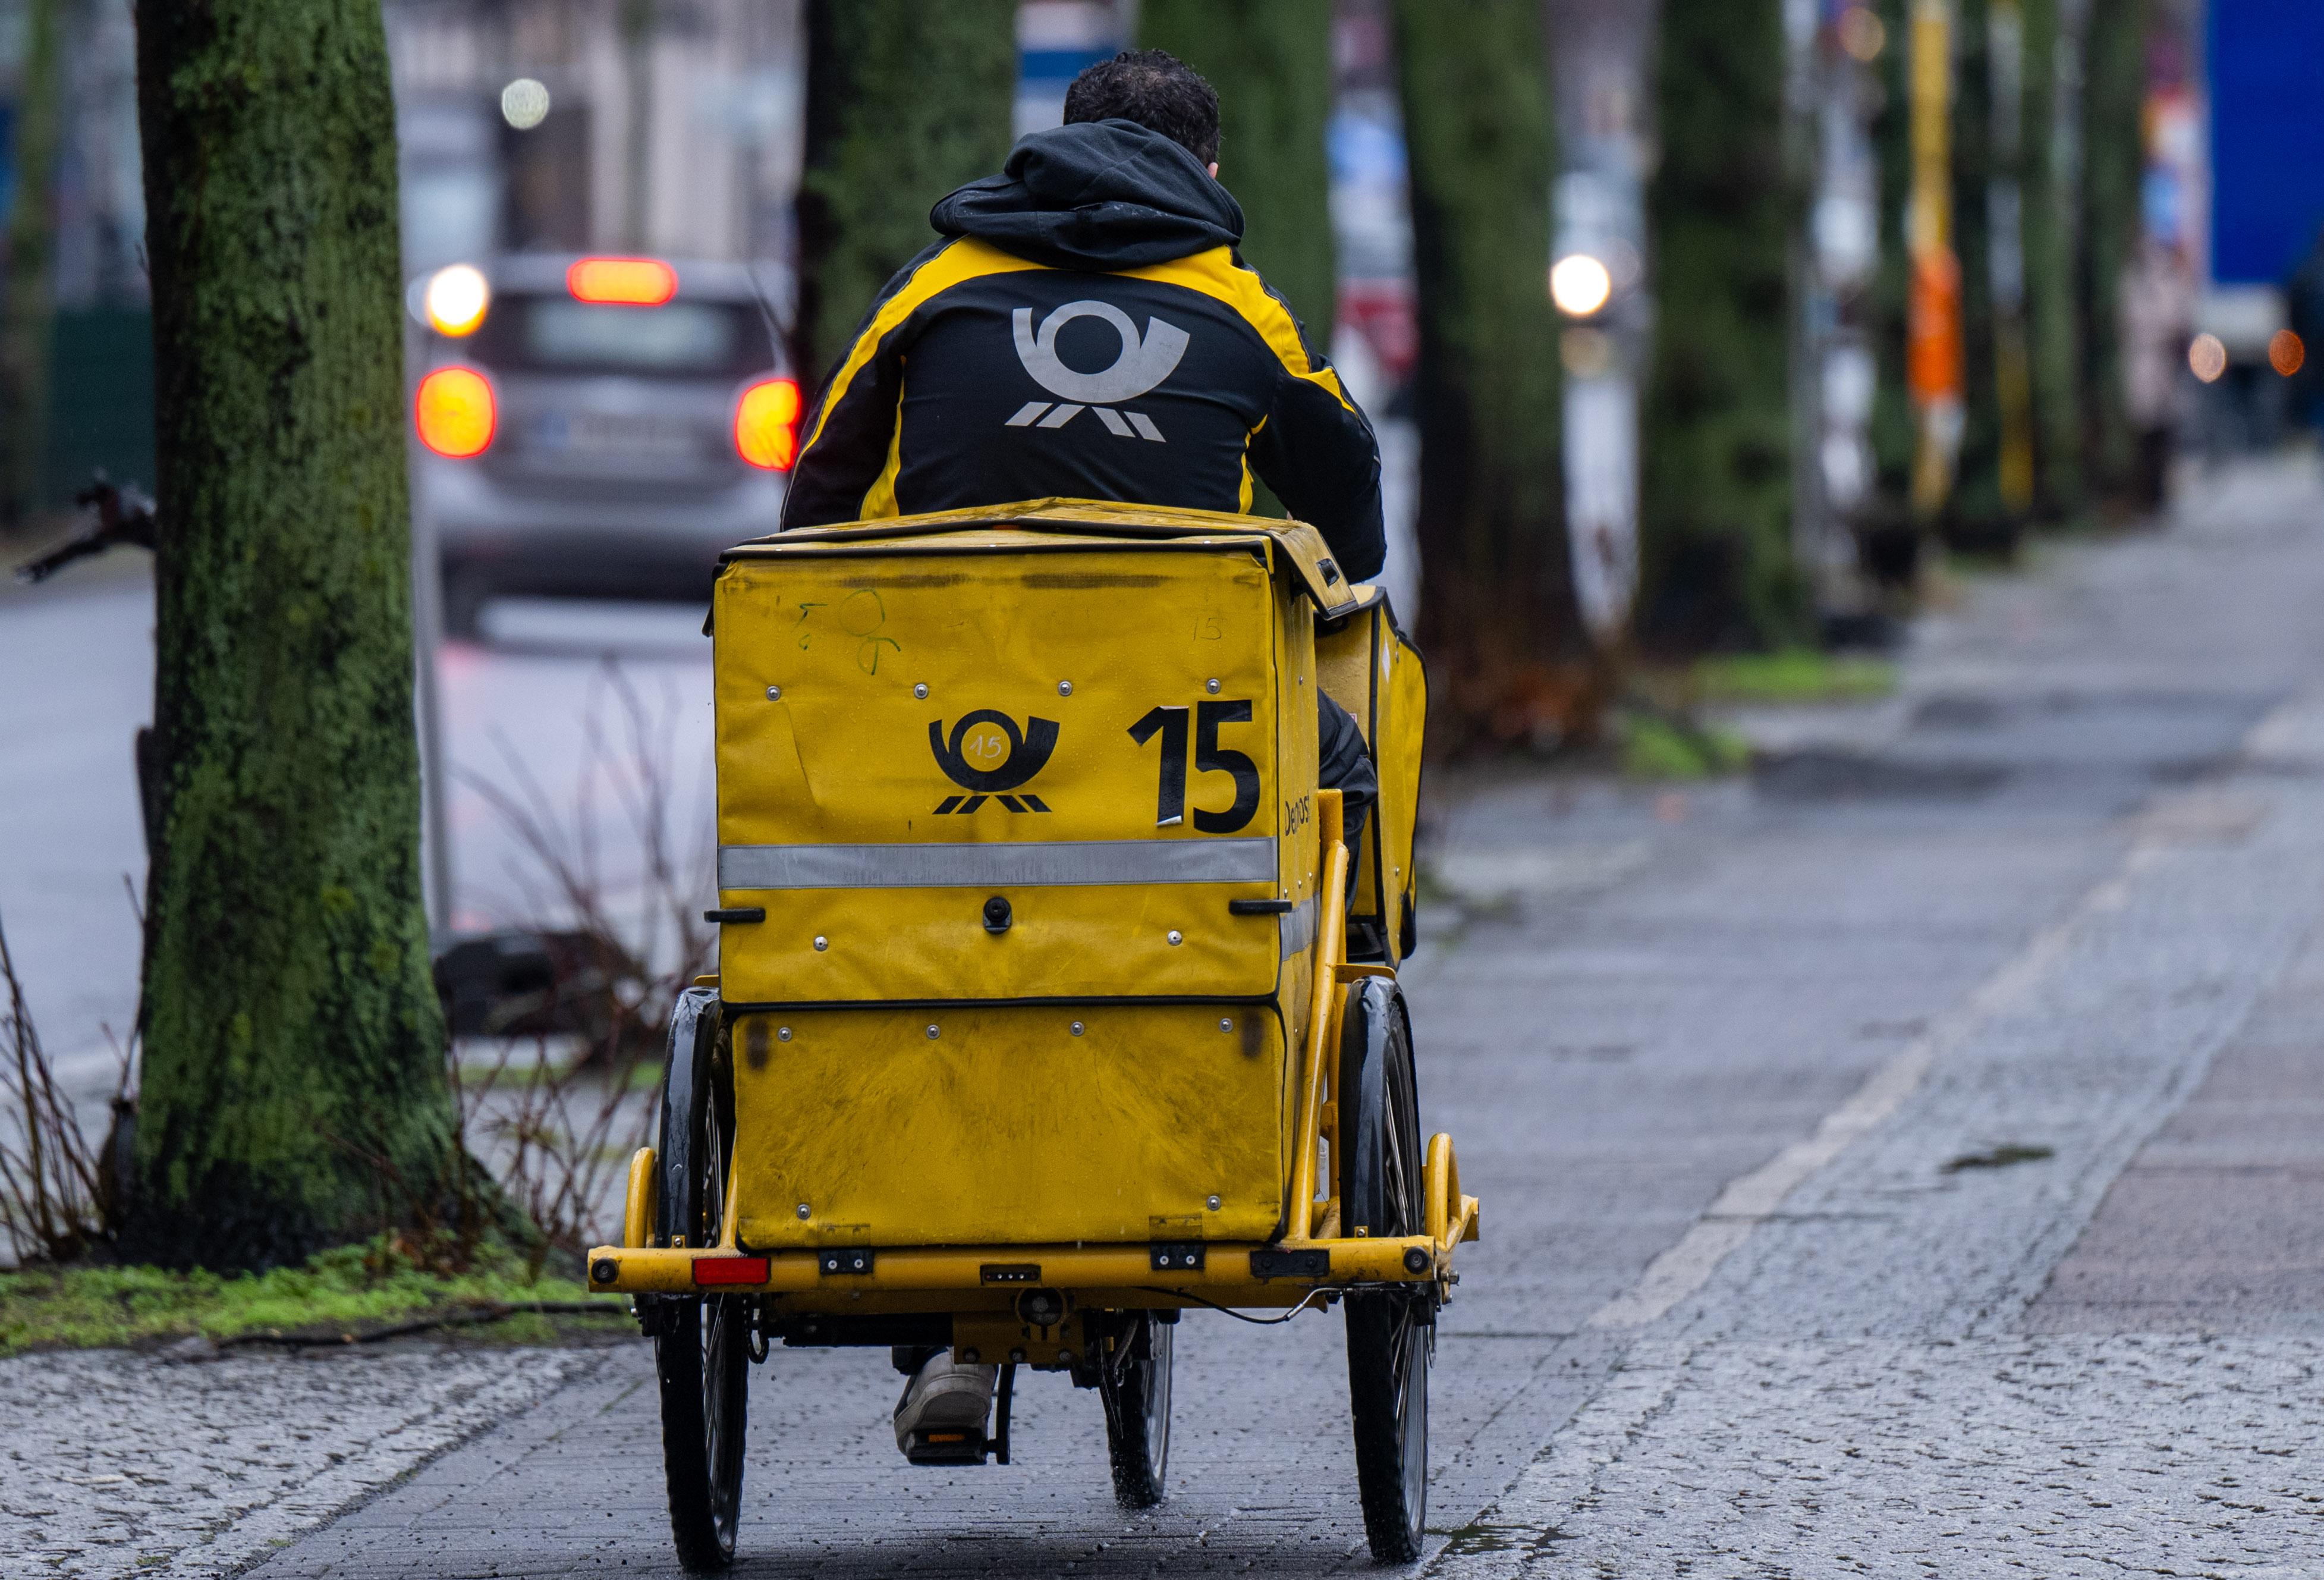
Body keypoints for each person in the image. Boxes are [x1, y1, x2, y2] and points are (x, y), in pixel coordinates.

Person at [781, 48, 1382, 1465]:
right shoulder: (1231, 301)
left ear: (1052, 150)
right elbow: (1348, 511)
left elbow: (814, 497)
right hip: (1177, 746)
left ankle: (939, 1316)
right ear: (1208, 173)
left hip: (941, 737)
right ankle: (1310, 1052)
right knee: (1343, 757)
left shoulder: (934, 288)